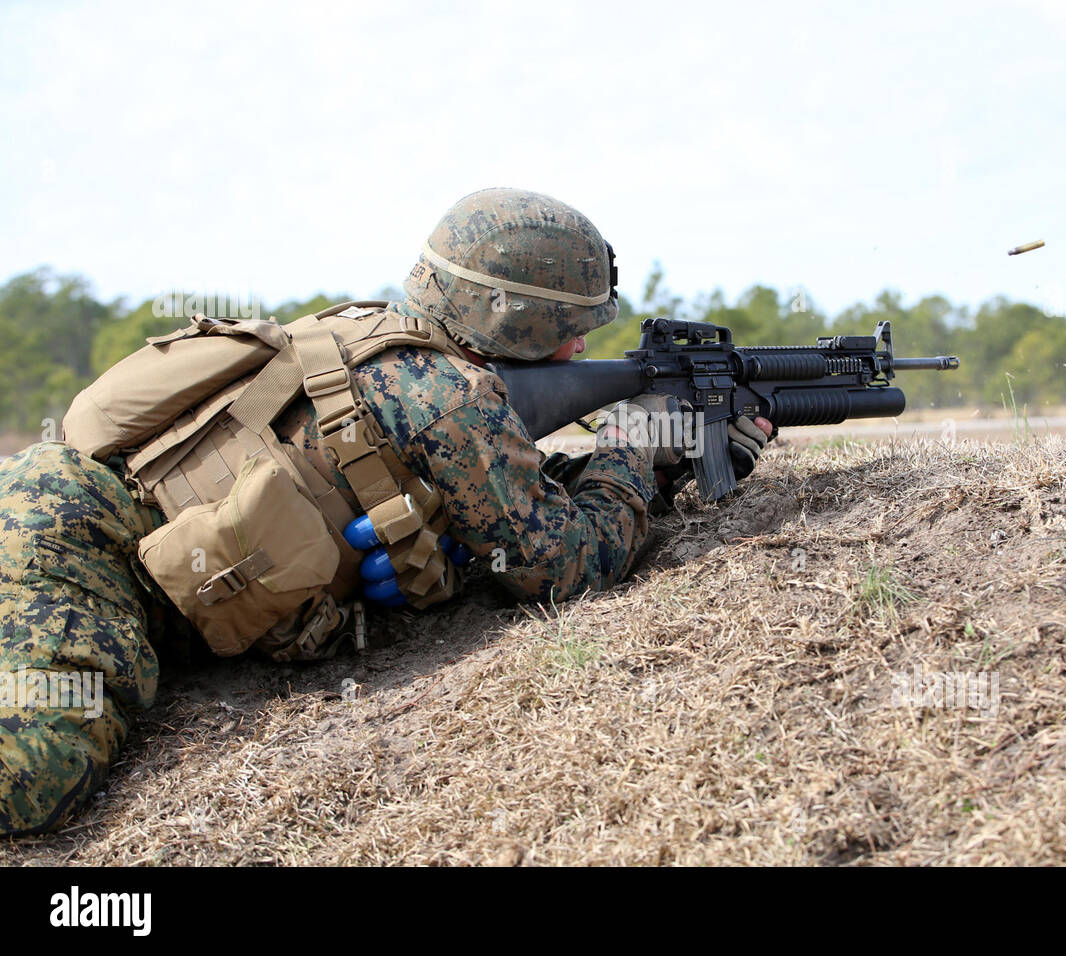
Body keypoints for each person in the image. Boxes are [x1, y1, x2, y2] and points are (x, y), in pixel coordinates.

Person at [0, 187, 772, 836]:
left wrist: (668, 459)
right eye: (570, 328)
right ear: (520, 322)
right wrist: (632, 446)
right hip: (76, 541)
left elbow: (505, 507)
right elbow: (569, 564)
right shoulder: (450, 399)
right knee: (38, 772)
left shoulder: (374, 333)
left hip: (81, 522)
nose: (577, 351)